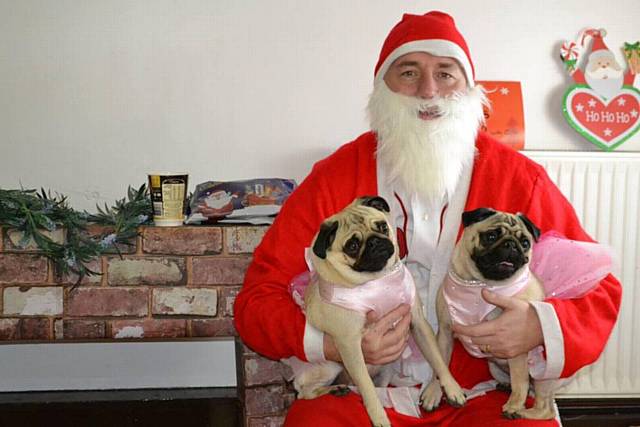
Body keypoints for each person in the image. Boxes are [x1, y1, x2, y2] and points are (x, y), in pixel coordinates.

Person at [234, 11, 622, 427]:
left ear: (469, 87)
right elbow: (257, 301)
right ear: (382, 87)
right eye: (408, 72)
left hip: (485, 390)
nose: (428, 91)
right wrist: (333, 346)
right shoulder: (334, 176)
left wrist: (536, 327)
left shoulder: (518, 177)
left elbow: (599, 295)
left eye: (446, 73)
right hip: (365, 392)